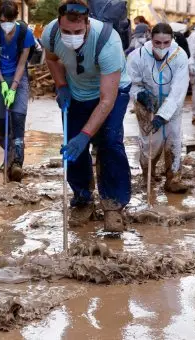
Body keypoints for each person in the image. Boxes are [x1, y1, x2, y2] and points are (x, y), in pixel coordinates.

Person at [41, 0, 133, 232]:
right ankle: (82, 197)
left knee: (110, 142)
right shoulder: (51, 33)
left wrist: (86, 134)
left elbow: (107, 100)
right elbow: (52, 59)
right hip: (76, 90)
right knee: (73, 148)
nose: (72, 36)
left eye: (78, 32)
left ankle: (113, 205)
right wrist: (61, 86)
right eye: (67, 32)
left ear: (88, 25)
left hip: (112, 91)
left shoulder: (108, 42)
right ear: (59, 25)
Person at [128, 23, 190, 194]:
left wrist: (163, 115)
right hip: (147, 105)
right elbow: (131, 83)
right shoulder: (138, 56)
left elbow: (178, 89)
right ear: (151, 39)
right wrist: (140, 94)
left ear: (172, 40)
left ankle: (174, 178)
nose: (161, 47)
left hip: (173, 105)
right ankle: (148, 173)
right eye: (157, 43)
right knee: (150, 141)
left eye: (166, 43)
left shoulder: (180, 56)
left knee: (174, 138)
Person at [0, 0, 35, 181]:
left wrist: (13, 85)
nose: (6, 24)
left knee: (18, 116)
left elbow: (22, 62)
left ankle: (17, 164)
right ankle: (8, 157)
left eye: (9, 20)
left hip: (18, 78)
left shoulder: (25, 33)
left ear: (15, 18)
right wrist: (3, 83)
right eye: (3, 20)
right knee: (3, 120)